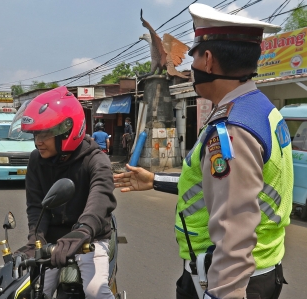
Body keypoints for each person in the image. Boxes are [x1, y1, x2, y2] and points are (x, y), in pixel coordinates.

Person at [113, 4, 292, 299]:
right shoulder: (261, 109)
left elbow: (234, 234)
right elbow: (220, 187)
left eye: (193, 56)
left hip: (228, 280)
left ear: (208, 60)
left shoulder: (233, 130)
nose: (189, 66)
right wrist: (155, 180)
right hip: (260, 269)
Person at [15, 86, 116, 298]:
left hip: (90, 238)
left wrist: (82, 230)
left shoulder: (96, 160)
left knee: (95, 292)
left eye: (45, 133)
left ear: (67, 131)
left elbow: (100, 199)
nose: (38, 141)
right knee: (32, 291)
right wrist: (36, 241)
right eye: (35, 133)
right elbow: (36, 206)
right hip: (52, 242)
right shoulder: (36, 160)